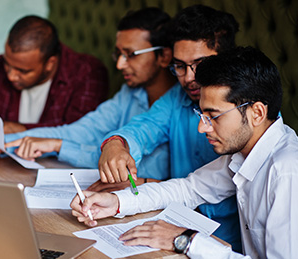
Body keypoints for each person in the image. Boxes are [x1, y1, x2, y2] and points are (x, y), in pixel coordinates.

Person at [72, 46, 298, 258]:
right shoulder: (244, 153)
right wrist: (115, 202)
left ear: (257, 113)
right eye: (202, 115)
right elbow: (188, 189)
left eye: (214, 116)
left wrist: (185, 240)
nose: (202, 127)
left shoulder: (287, 172)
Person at [0, 7, 178, 188]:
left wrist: (58, 146)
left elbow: (122, 166)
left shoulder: (181, 105)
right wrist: (1, 142)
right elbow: (81, 131)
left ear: (164, 57)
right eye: (118, 54)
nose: (120, 65)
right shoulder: (129, 94)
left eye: (131, 54)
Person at [97, 5, 241, 251]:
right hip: (173, 228)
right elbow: (144, 127)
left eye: (200, 64)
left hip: (226, 243)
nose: (188, 78)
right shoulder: (176, 97)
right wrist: (116, 144)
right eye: (180, 66)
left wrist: (147, 183)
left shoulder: (249, 112)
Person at [0, 15, 109, 155]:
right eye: (8, 65)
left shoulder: (87, 73)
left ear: (50, 64)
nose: (10, 75)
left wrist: (18, 129)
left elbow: (80, 133)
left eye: (23, 71)